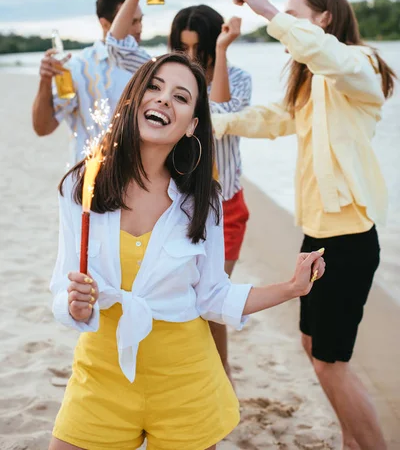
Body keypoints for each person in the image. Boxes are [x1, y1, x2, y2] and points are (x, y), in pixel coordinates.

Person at [49, 52, 325, 450]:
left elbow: (212, 296)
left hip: (185, 384)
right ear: (133, 99)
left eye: (181, 97)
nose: (163, 100)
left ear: (192, 125)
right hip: (101, 378)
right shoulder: (81, 186)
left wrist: (292, 288)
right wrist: (74, 306)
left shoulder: (201, 203)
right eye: (155, 88)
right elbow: (62, 286)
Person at [212, 0, 397, 450]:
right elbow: (275, 118)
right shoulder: (312, 82)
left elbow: (326, 55)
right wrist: (218, 121)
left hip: (349, 240)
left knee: (329, 363)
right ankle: (351, 440)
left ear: (324, 19)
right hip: (316, 236)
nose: (286, 23)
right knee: (313, 348)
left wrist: (267, 9)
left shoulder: (360, 66)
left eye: (296, 14)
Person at [106, 0, 252, 382]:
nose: (189, 58)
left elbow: (221, 112)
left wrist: (221, 54)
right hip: (170, 200)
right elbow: (116, 45)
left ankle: (218, 378)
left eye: (198, 49)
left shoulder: (237, 76)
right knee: (174, 296)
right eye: (180, 47)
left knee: (211, 299)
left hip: (222, 203)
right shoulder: (162, 77)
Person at [32, 0, 150, 163]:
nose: (139, 28)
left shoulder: (147, 65)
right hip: (86, 178)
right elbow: (43, 127)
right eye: (132, 21)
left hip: (136, 177)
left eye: (140, 20)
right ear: (105, 24)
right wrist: (45, 81)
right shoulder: (77, 67)